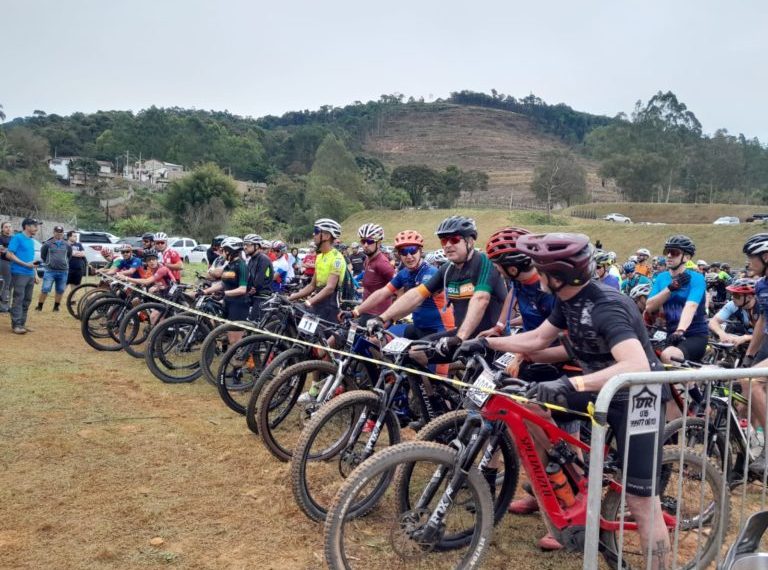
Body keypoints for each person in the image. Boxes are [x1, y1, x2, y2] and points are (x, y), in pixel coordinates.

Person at [456, 232, 670, 568]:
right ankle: (570, 479)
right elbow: (539, 338)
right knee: (527, 408)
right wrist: (488, 344)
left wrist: (571, 382)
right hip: (601, 388)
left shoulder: (606, 307)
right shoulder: (567, 299)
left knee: (642, 501)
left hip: (636, 397)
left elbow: (635, 365)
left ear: (556, 276)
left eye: (539, 270)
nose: (534, 275)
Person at [369, 216, 508, 360]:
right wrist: (382, 317)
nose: (447, 245)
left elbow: (481, 299)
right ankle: (425, 383)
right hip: (461, 335)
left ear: (470, 241)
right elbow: (416, 295)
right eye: (443, 241)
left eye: (454, 239)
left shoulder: (484, 263)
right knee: (415, 352)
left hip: (490, 338)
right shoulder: (447, 269)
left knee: (475, 380)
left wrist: (460, 338)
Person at [342, 230, 454, 338]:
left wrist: (382, 318)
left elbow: (413, 300)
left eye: (413, 250)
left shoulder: (431, 273)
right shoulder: (403, 274)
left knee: (414, 353)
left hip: (441, 329)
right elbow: (382, 293)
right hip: (418, 327)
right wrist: (356, 312)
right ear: (399, 255)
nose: (409, 256)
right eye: (404, 252)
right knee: (376, 339)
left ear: (420, 251)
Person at [646, 235, 708, 364]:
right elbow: (649, 306)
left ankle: (692, 384)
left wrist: (680, 331)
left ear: (686, 257)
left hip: (694, 335)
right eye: (667, 252)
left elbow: (690, 307)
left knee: (669, 357)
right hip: (671, 335)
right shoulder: (661, 278)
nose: (669, 255)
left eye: (674, 252)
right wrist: (671, 288)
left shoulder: (696, 278)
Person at [288, 218, 346, 324]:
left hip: (330, 305)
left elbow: (330, 288)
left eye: (316, 231)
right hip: (318, 301)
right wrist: (291, 297)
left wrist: (310, 301)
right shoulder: (319, 257)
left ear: (327, 236)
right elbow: (311, 286)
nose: (313, 234)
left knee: (318, 340)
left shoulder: (337, 258)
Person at [202, 237, 249, 345]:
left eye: (223, 250)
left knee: (234, 341)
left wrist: (225, 293)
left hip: (238, 304)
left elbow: (242, 289)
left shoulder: (242, 266)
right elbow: (223, 284)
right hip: (227, 302)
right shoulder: (229, 265)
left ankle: (243, 357)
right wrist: (206, 291)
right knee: (226, 335)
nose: (220, 253)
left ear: (230, 251)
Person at [5, 218, 41, 334]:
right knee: (18, 298)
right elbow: (9, 254)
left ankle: (22, 324)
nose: (36, 228)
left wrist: (35, 274)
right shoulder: (17, 238)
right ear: (27, 226)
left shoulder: (31, 240)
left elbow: (31, 260)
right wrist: (25, 264)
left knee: (27, 299)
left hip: (30, 274)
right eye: (34, 225)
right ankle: (16, 324)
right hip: (19, 273)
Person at [357, 223, 395, 320]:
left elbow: (399, 289)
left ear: (378, 243)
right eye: (363, 241)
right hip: (365, 311)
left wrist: (391, 318)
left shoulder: (382, 263)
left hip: (378, 316)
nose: (365, 245)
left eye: (370, 241)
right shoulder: (367, 260)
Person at [708, 278, 756, 345]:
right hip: (750, 333)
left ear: (749, 297)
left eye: (736, 295)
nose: (732, 298)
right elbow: (713, 321)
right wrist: (721, 333)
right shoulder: (733, 304)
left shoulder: (763, 307)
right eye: (732, 294)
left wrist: (746, 338)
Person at [35, 225, 72, 312]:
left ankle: (56, 307)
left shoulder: (67, 245)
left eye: (60, 232)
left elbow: (69, 256)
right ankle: (39, 306)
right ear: (54, 232)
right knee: (45, 289)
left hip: (63, 271)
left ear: (63, 233)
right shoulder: (47, 244)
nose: (59, 234)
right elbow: (43, 256)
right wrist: (49, 263)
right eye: (57, 232)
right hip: (50, 270)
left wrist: (64, 262)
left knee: (60, 290)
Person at [244, 234, 273, 322]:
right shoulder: (252, 259)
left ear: (256, 246)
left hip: (262, 295)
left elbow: (258, 282)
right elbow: (248, 278)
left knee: (253, 323)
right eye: (244, 244)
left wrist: (252, 288)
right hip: (253, 294)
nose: (245, 247)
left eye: (248, 245)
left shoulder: (263, 259)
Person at [0, 221, 12, 312]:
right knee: (6, 284)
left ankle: (7, 305)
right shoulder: (0, 238)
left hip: (13, 263)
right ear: (2, 229)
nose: (8, 228)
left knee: (10, 285)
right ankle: (3, 306)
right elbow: (2, 250)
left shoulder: (14, 238)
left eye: (9, 227)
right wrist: (10, 250)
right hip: (4, 262)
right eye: (6, 227)